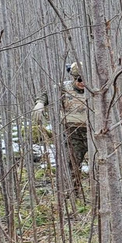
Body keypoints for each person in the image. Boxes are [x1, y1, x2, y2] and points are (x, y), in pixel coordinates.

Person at [32, 62, 88, 195]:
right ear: (73, 78)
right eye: (79, 79)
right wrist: (40, 103)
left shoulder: (94, 90)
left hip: (92, 131)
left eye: (85, 79)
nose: (82, 83)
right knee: (72, 163)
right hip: (71, 131)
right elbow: (46, 94)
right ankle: (73, 193)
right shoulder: (63, 87)